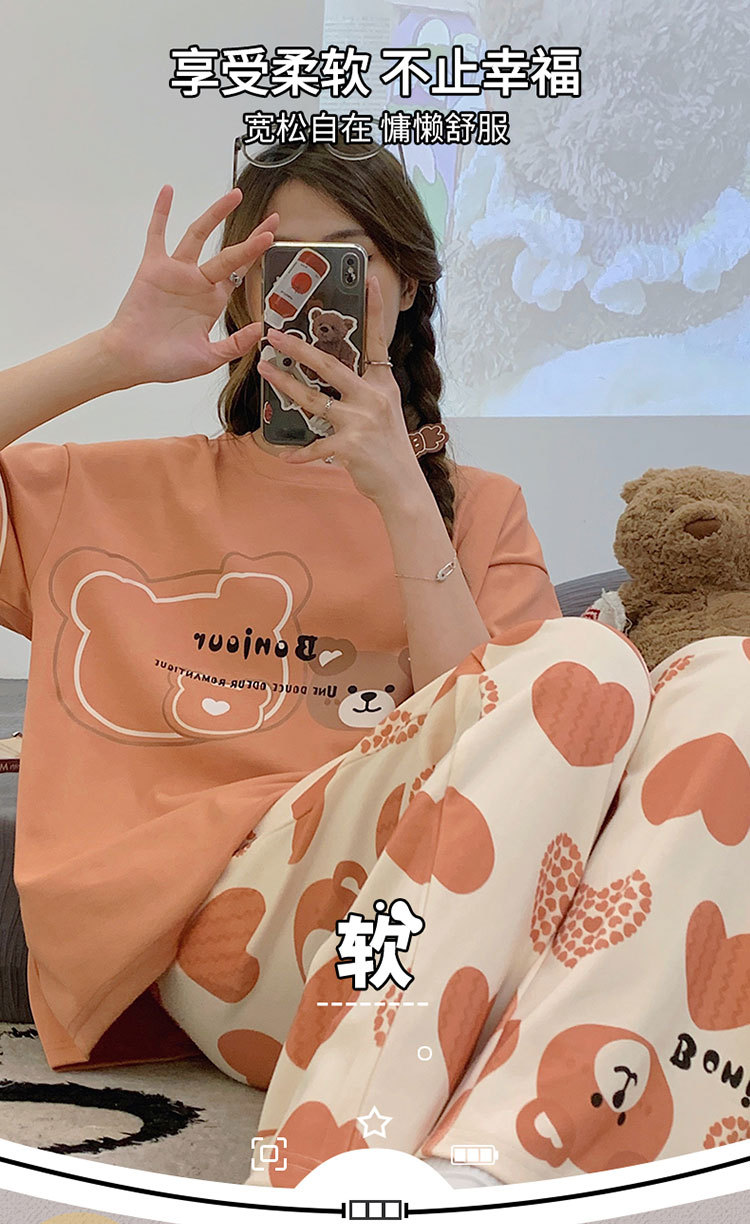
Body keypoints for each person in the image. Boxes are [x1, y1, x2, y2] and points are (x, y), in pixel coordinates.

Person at [0, 140, 747, 1193]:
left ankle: (507, 1155)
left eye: (342, 259)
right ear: (244, 293)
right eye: (280, 263)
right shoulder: (106, 491)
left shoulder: (476, 510)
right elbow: (515, 712)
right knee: (575, 660)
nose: (311, 290)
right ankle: (343, 1160)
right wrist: (112, 355)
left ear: (402, 284)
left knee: (728, 677)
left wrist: (401, 491)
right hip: (239, 942)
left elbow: (500, 760)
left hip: (464, 939)